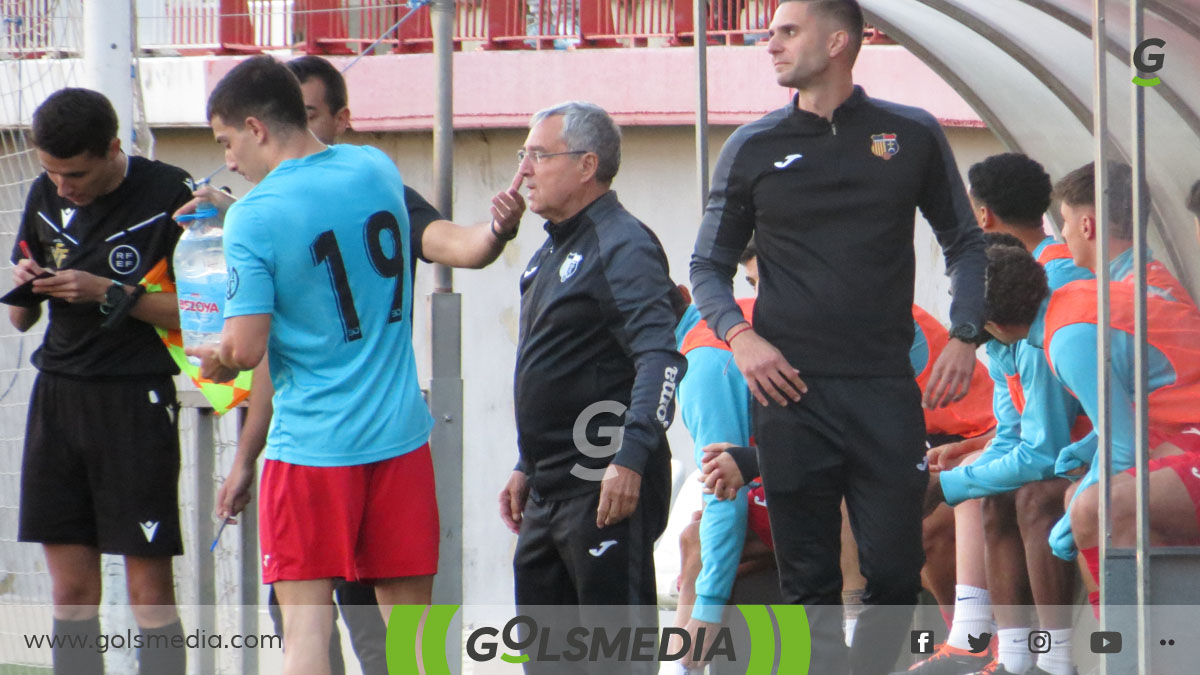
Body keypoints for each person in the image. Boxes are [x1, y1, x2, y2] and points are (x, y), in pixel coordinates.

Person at [187, 56, 525, 675]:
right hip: (398, 442)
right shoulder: (375, 168)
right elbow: (440, 242)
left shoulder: (253, 217)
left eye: (226, 142)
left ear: (257, 127)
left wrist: (214, 358)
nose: (229, 161)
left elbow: (246, 348)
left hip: (312, 449)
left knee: (306, 642)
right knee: (413, 646)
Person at [688, 1, 987, 671]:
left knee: (891, 570)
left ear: (840, 40)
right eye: (771, 33)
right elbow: (706, 265)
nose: (771, 45)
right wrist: (739, 335)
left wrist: (966, 333)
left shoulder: (909, 134)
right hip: (791, 395)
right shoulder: (752, 145)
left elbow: (965, 242)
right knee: (810, 585)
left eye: (788, 32)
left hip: (885, 390)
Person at [8, 88, 194, 674]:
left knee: (148, 595)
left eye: (77, 173)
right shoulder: (44, 193)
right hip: (57, 396)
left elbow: (204, 312)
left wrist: (111, 294)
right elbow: (20, 319)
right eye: (53, 172)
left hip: (133, 397)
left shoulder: (171, 195)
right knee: (70, 594)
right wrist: (25, 284)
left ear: (114, 148)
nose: (64, 186)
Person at [496, 101, 686, 674]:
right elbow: (556, 368)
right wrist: (527, 463)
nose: (524, 169)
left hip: (603, 485)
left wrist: (630, 457)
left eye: (537, 154)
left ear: (586, 165)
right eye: (523, 154)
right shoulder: (549, 248)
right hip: (549, 489)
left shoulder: (623, 243)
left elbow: (662, 357)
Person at [918, 155, 1092, 675]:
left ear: (985, 214)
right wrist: (968, 462)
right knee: (986, 489)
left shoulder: (1047, 300)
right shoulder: (1004, 311)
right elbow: (1018, 427)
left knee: (1031, 494)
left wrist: (950, 484)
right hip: (1066, 446)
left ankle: (1049, 658)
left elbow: (1050, 444)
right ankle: (1008, 656)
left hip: (1110, 453)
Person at [980, 246, 1200, 610]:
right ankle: (1125, 645)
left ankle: (1144, 648)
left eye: (1063, 220)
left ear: (996, 326)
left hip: (1188, 428)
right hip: (1182, 427)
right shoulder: (1068, 304)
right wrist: (1087, 451)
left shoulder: (1067, 337)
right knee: (1080, 499)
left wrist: (1070, 522)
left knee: (1098, 507)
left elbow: (1122, 447)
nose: (1063, 231)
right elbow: (1131, 413)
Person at [1056, 161, 1194, 306]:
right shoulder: (1152, 284)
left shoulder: (1126, 301)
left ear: (1086, 226)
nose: (1064, 233)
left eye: (1065, 220)